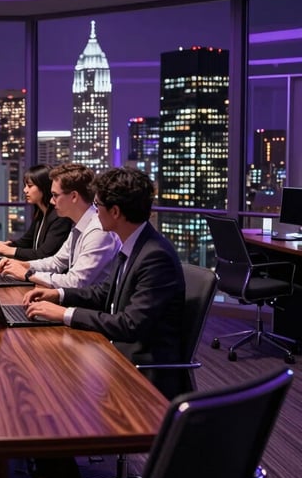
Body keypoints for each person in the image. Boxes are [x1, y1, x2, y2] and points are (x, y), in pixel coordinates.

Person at [22, 166, 186, 399]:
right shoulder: (133, 243)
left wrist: (65, 314)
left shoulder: (155, 256)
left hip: (141, 371)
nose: (95, 212)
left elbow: (130, 325)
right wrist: (58, 295)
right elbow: (104, 293)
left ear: (115, 211)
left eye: (97, 205)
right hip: (115, 349)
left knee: (54, 379)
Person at [0, 163, 119, 288]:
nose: (51, 200)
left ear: (74, 196)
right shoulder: (80, 226)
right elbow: (56, 262)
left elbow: (75, 282)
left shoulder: (98, 231)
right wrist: (24, 265)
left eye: (55, 195)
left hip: (86, 300)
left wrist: (28, 274)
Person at [0, 164, 71, 260]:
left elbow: (44, 254)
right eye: (25, 186)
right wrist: (6, 245)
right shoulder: (41, 213)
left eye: (30, 186)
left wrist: (9, 250)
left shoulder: (60, 217)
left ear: (44, 186)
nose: (25, 190)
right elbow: (26, 242)